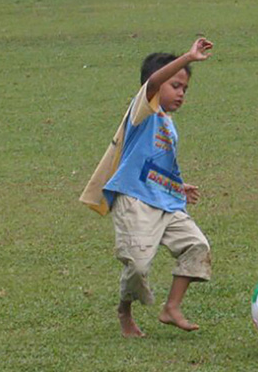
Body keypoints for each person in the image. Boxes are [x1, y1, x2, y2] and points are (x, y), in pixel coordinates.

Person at [80, 37, 215, 338]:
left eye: (185, 89)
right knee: (139, 266)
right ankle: (124, 309)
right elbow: (155, 80)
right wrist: (188, 58)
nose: (181, 93)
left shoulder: (167, 123)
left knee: (197, 247)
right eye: (175, 85)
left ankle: (171, 307)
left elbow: (154, 161)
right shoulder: (144, 110)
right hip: (134, 201)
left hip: (165, 201)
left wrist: (179, 186)